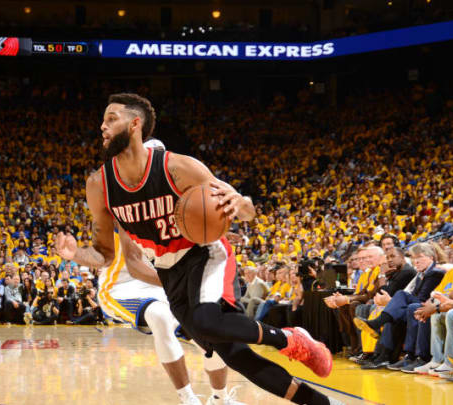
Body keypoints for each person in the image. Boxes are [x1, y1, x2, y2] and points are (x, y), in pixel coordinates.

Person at [57, 94, 337, 405]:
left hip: (205, 254)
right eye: (104, 119)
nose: (102, 126)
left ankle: (290, 338)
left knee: (206, 322)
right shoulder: (99, 185)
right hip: (168, 270)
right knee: (232, 354)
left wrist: (241, 202)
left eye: (111, 118)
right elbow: (104, 255)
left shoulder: (178, 168)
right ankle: (318, 402)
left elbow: (245, 212)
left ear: (135, 124)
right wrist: (74, 254)